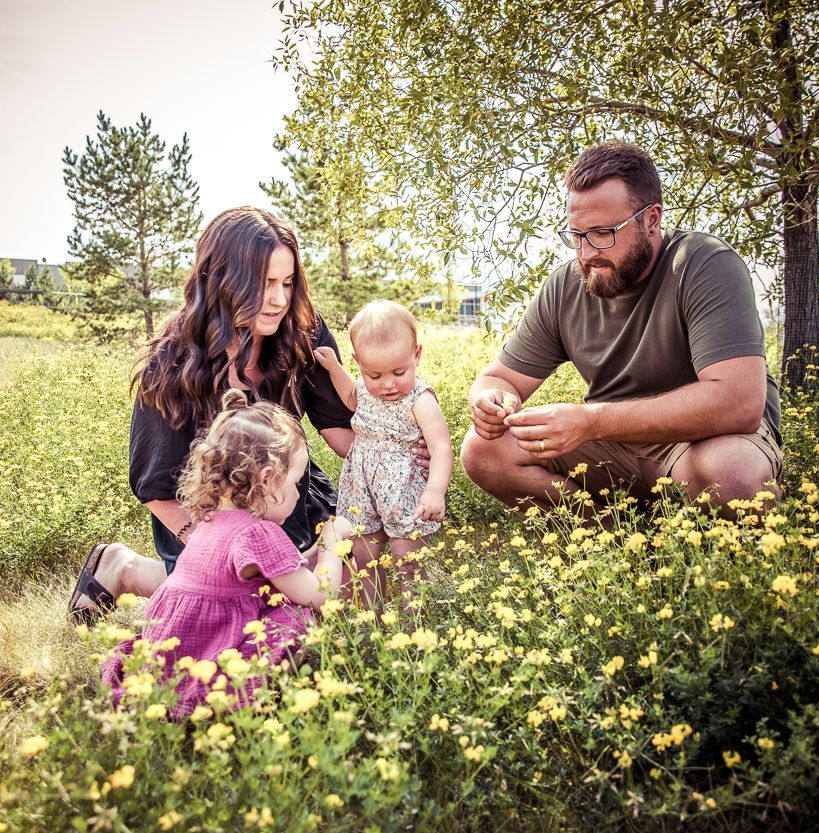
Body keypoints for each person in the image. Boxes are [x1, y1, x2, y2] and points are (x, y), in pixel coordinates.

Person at [68, 207, 422, 622]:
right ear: (222, 280)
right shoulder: (172, 359)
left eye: (287, 283)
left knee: (359, 566)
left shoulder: (302, 332)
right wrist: (221, 552)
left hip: (290, 496)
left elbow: (339, 426)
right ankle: (123, 568)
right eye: (264, 283)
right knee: (251, 598)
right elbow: (156, 485)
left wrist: (407, 455)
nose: (278, 299)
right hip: (208, 515)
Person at [461, 141, 782, 518]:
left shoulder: (703, 263)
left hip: (702, 441)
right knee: (484, 450)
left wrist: (592, 421)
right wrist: (491, 399)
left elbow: (739, 404)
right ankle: (614, 543)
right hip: (611, 443)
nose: (586, 252)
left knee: (733, 474)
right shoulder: (566, 284)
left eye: (603, 233)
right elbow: (500, 378)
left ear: (651, 220)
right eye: (577, 235)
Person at [101, 389, 345, 716]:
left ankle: (170, 688)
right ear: (269, 480)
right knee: (296, 616)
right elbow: (319, 595)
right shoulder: (259, 532)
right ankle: (246, 699)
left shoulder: (211, 519)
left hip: (176, 640)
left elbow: (289, 570)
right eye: (297, 483)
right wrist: (332, 540)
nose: (300, 492)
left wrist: (315, 553)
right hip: (210, 645)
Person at [314, 300, 453, 613]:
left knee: (407, 557)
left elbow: (441, 446)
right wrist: (335, 368)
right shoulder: (365, 387)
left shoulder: (420, 398)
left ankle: (413, 616)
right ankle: (372, 616)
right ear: (359, 364)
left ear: (416, 355)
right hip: (362, 486)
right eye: (374, 374)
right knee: (364, 555)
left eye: (399, 372)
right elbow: (351, 396)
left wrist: (435, 490)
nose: (388, 384)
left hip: (404, 489)